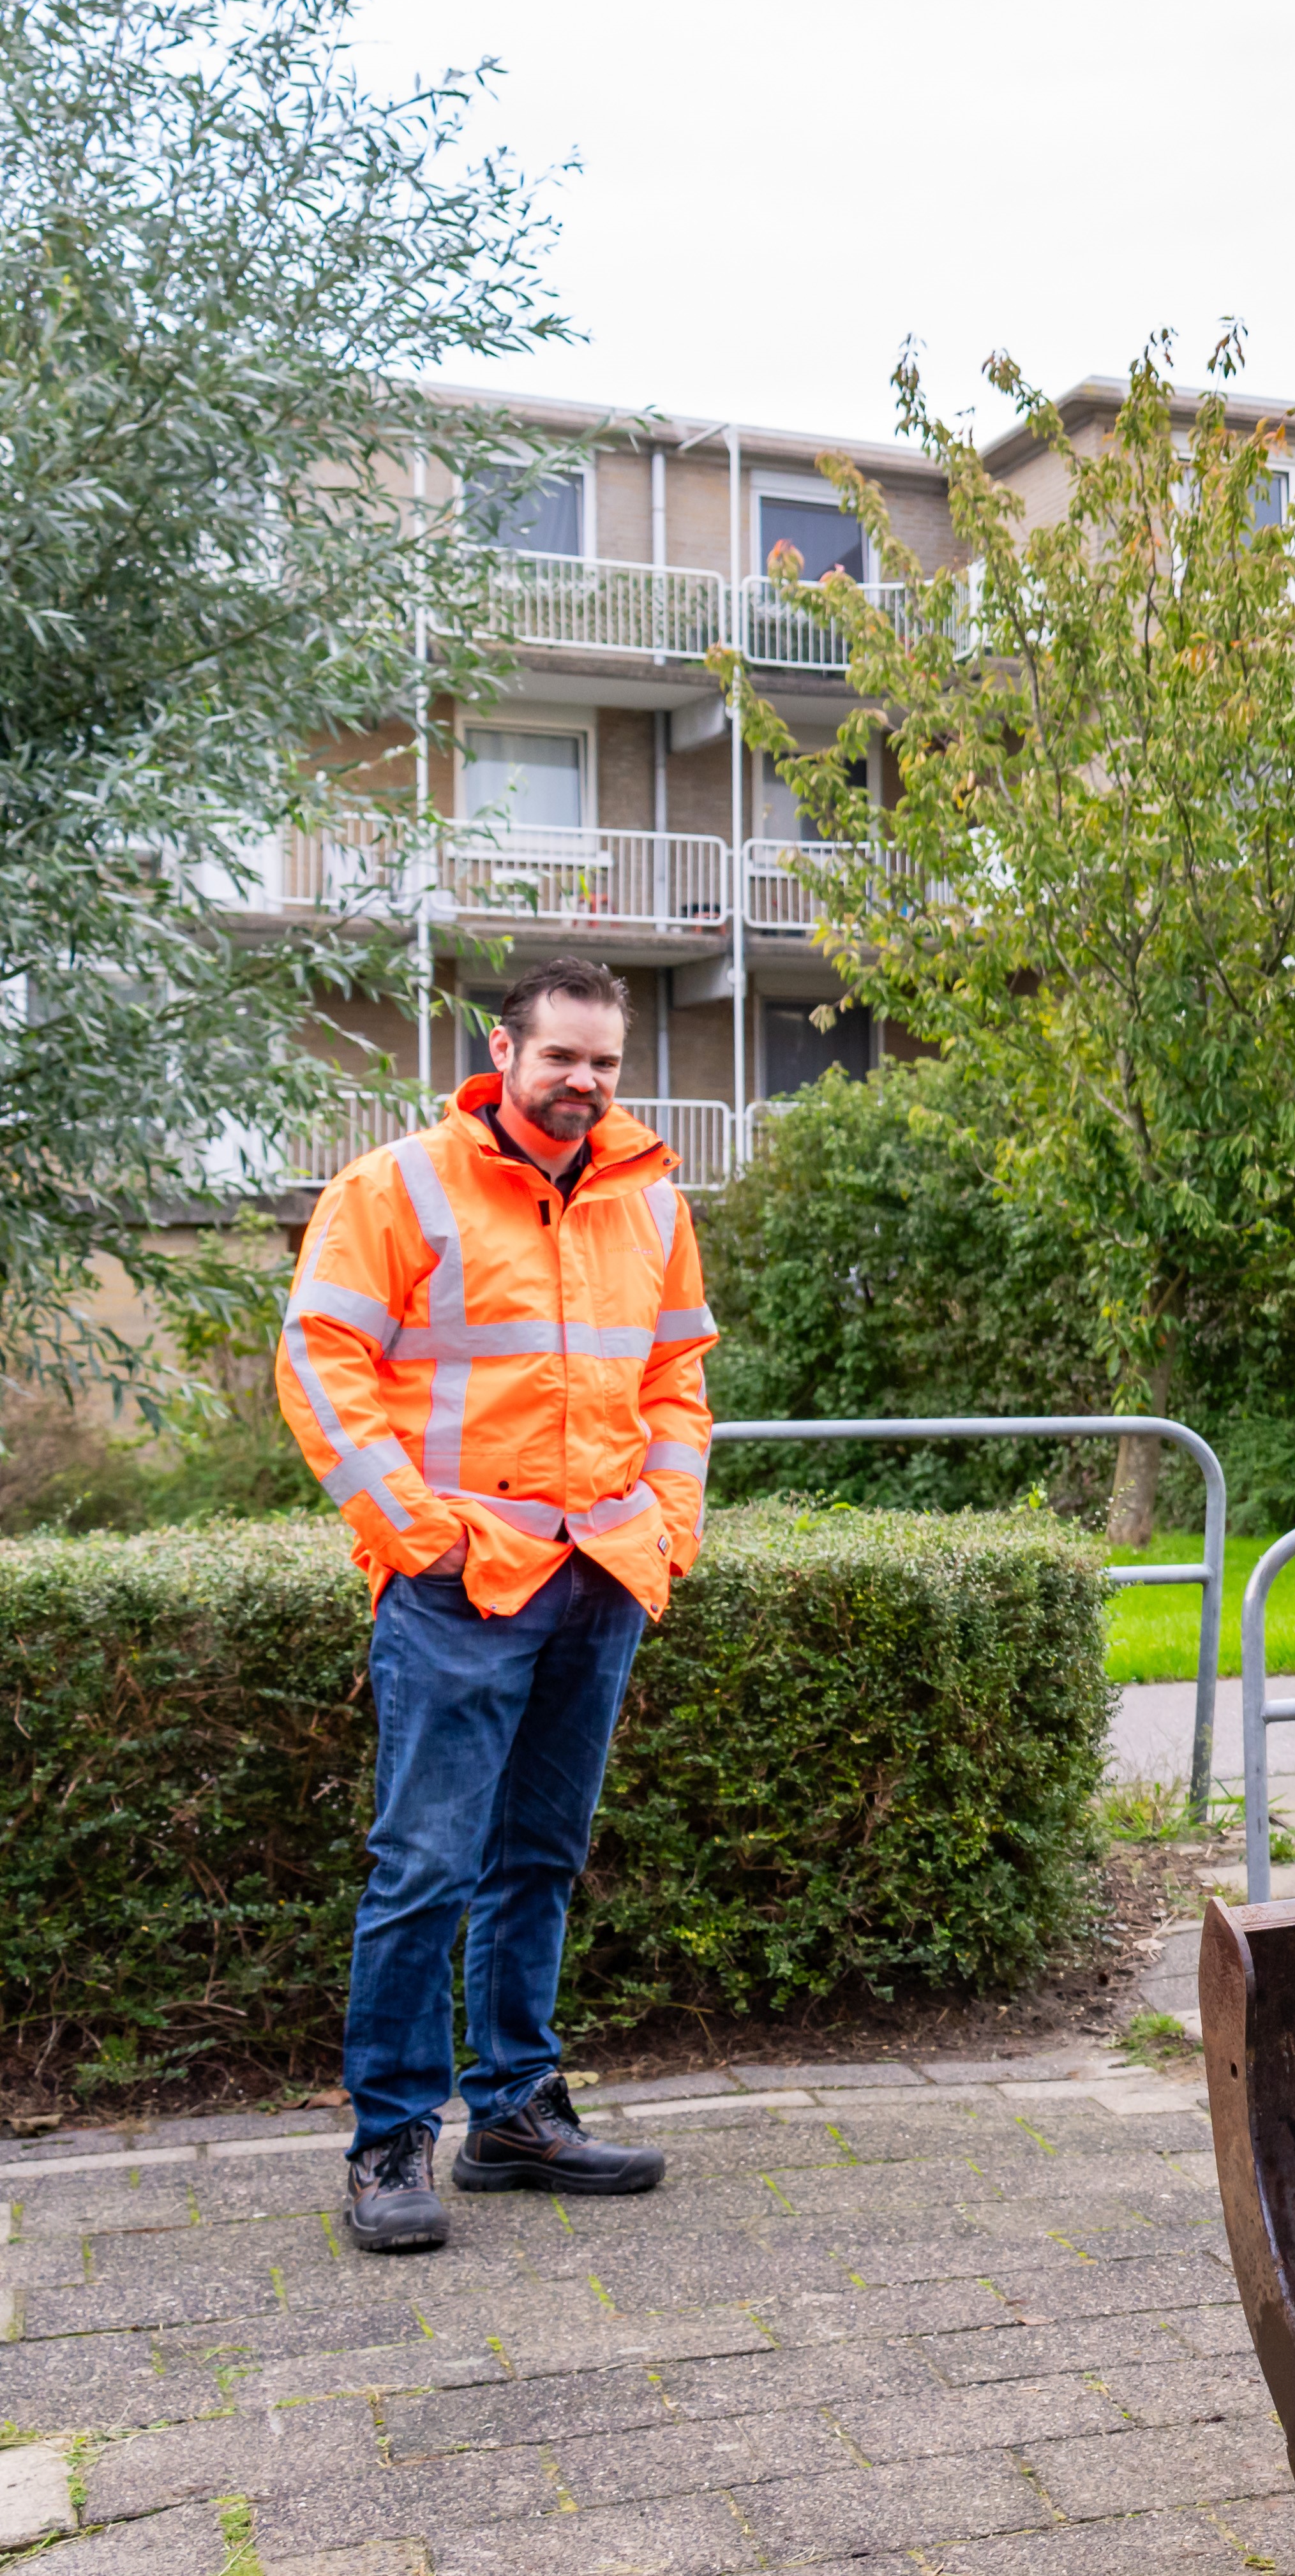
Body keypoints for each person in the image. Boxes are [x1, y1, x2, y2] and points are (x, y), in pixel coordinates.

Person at [274, 957, 717, 2252]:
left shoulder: (649, 1196)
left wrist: (668, 1526)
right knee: (424, 1866)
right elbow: (318, 1355)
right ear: (505, 1053)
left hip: (602, 1574)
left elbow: (677, 1374)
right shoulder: (400, 1183)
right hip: (461, 1581)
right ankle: (389, 2144)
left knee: (539, 1859)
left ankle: (515, 2111)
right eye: (561, 1057)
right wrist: (419, 1534)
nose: (584, 1083)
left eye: (606, 1063)